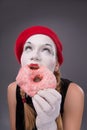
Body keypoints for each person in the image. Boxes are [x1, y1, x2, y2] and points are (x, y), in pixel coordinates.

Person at [7, 26, 84, 130]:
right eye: (28, 48)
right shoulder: (12, 89)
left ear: (56, 64)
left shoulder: (73, 92)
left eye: (46, 50)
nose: (35, 56)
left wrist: (48, 126)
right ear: (21, 59)